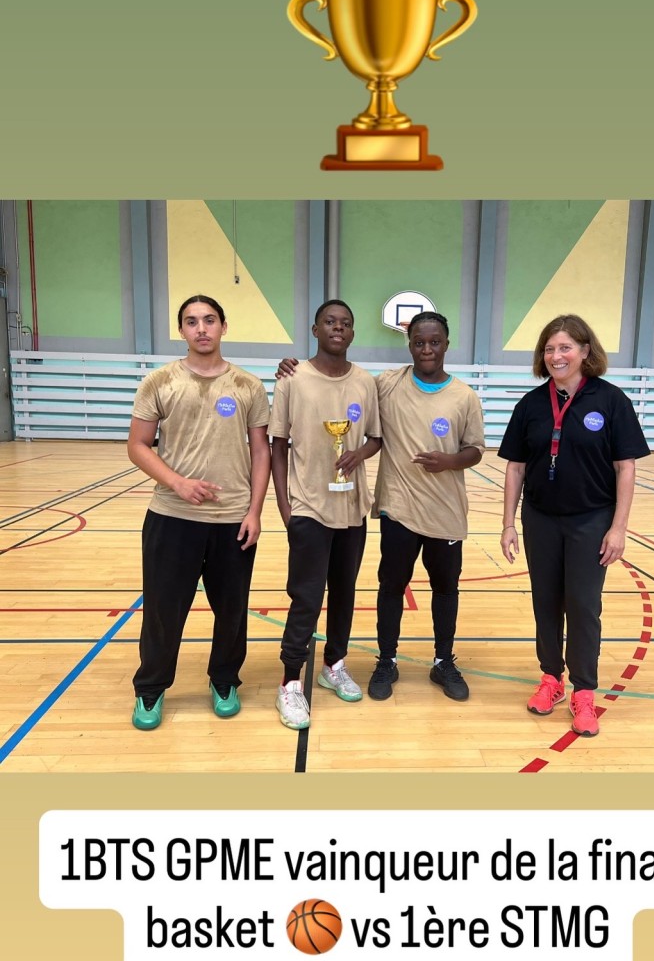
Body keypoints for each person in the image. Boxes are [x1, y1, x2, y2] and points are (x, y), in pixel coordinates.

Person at [277, 310, 485, 703]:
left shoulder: (464, 396)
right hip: (398, 510)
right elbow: (336, 379)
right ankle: (386, 660)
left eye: (434, 342)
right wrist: (292, 367)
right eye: (419, 342)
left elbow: (475, 449)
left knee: (445, 588)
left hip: (446, 512)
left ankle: (443, 661)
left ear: (447, 344)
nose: (427, 349)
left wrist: (450, 461)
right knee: (391, 586)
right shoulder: (385, 384)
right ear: (409, 345)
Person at [498, 314, 650, 737]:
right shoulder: (531, 404)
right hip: (540, 518)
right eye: (549, 348)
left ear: (585, 351)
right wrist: (508, 523)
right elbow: (515, 467)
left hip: (591, 519)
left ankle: (584, 690)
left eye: (565, 347)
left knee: (583, 605)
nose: (556, 356)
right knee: (545, 602)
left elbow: (625, 467)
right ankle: (551, 678)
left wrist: (618, 528)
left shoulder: (611, 400)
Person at [127, 296, 271, 730]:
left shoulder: (248, 386)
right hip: (172, 517)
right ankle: (150, 688)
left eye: (209, 320)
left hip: (232, 521)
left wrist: (254, 511)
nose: (201, 328)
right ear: (182, 331)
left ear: (224, 326)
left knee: (232, 611)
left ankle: (224, 680)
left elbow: (261, 451)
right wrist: (178, 483)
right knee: (163, 611)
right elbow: (137, 446)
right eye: (191, 322)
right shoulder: (159, 381)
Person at [269, 300, 381, 730]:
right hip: (309, 506)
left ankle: (334, 664)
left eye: (346, 323)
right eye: (330, 322)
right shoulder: (292, 378)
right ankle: (290, 681)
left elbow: (376, 438)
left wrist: (359, 454)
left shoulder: (365, 382)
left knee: (345, 593)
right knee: (307, 597)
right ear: (315, 329)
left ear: (353, 333)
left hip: (352, 507)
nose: (338, 328)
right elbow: (278, 445)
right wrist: (284, 504)